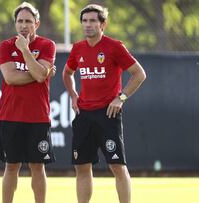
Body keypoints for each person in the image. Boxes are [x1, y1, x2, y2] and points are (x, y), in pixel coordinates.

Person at [62, 4, 146, 203]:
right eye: (84, 21)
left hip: (107, 115)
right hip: (84, 115)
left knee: (117, 166)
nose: (88, 25)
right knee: (82, 167)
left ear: (103, 24)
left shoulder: (115, 47)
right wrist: (73, 95)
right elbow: (67, 73)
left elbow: (139, 74)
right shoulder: (78, 48)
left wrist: (121, 98)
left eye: (93, 21)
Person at [0, 2, 56, 203]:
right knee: (11, 166)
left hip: (38, 116)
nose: (24, 25)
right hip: (10, 115)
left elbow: (40, 75)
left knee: (37, 167)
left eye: (28, 21)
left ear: (36, 23)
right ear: (15, 24)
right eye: (20, 21)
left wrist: (25, 51)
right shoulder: (6, 45)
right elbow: (11, 78)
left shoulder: (47, 45)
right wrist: (40, 72)